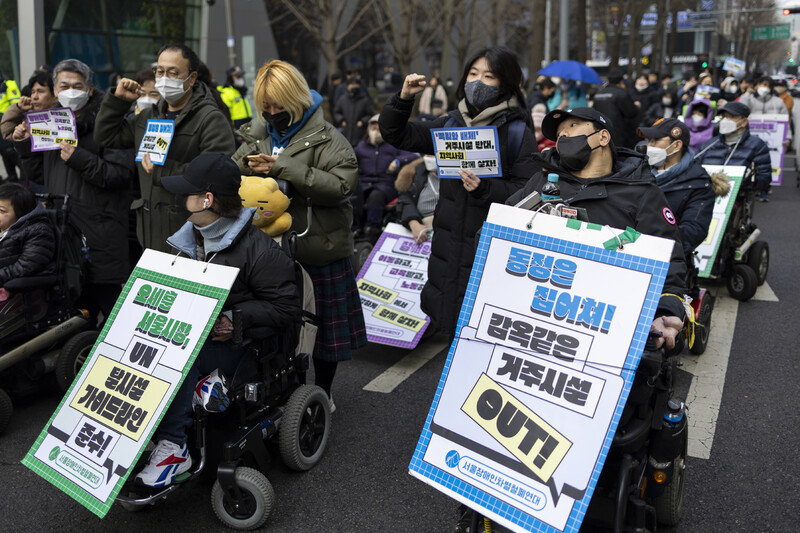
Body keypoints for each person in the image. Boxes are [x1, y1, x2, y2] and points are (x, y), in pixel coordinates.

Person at [135, 153, 300, 488]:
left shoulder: (260, 250)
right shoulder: (185, 240)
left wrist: (234, 318)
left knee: (172, 361)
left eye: (188, 193)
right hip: (191, 335)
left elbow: (287, 309)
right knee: (136, 352)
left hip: (241, 346)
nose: (182, 199)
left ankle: (174, 449)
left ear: (207, 199)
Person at [379, 46, 538, 337]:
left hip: (491, 252)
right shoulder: (451, 124)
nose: (478, 82)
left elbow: (526, 194)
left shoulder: (517, 133)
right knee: (449, 331)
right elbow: (398, 135)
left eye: (488, 76)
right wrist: (403, 99)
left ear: (505, 83)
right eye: (473, 74)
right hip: (447, 253)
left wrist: (485, 189)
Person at [232, 59, 365, 407]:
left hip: (316, 248)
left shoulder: (328, 138)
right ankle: (285, 391)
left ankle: (323, 392)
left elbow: (341, 185)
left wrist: (284, 167)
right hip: (265, 250)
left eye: (279, 105)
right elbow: (232, 172)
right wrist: (243, 170)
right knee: (278, 330)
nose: (273, 113)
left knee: (323, 334)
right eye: (266, 107)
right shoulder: (257, 134)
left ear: (297, 100)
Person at [507, 107, 687, 348]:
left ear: (603, 137)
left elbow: (668, 257)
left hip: (607, 325)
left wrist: (666, 307)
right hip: (539, 311)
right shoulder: (541, 181)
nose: (563, 136)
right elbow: (499, 229)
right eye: (559, 134)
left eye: (572, 127)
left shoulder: (642, 193)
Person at [13, 59, 134, 323]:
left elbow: (119, 175)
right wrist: (24, 146)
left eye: (77, 86)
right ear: (55, 90)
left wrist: (79, 157)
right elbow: (40, 175)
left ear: (90, 90)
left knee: (113, 314)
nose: (70, 91)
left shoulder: (109, 123)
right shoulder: (49, 122)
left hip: (101, 234)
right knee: (74, 315)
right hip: (64, 233)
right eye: (64, 85)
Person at [93, 43, 236, 253]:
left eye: (173, 72)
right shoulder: (148, 116)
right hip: (150, 234)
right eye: (160, 71)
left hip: (192, 237)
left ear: (192, 78)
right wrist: (118, 102)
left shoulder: (210, 118)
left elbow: (218, 174)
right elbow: (105, 136)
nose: (165, 78)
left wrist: (164, 171)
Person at [638, 118, 714, 268]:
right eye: (649, 141)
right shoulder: (637, 170)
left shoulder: (698, 183)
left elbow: (694, 231)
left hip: (667, 261)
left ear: (676, 146)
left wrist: (647, 238)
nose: (649, 146)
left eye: (655, 141)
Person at [694, 101, 773, 202]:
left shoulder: (757, 145)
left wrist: (747, 183)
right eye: (723, 116)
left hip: (737, 198)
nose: (725, 120)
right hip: (704, 195)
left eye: (731, 117)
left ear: (744, 122)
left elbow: (764, 177)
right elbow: (694, 167)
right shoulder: (709, 144)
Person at [353, 114, 418, 234]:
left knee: (375, 197)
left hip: (386, 184)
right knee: (351, 195)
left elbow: (414, 156)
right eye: (373, 124)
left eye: (379, 125)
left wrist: (398, 160)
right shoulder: (361, 146)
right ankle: (354, 228)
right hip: (364, 183)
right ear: (368, 128)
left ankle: (372, 229)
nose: (376, 127)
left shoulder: (394, 144)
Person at [0, 182, 56, 295]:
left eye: (1, 211)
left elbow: (26, 266)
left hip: (17, 291)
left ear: (20, 213)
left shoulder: (38, 231)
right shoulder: (3, 227)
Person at [1, 69, 58, 141]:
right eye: (33, 92)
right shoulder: (27, 117)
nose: (35, 97)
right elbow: (6, 132)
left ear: (55, 96)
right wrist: (18, 108)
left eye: (40, 91)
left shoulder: (65, 117)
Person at [394, 154, 438, 244]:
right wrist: (413, 222)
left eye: (432, 154)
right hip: (420, 227)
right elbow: (406, 199)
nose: (428, 157)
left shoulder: (462, 178)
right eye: (426, 154)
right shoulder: (417, 171)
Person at [593, 69, 640, 149]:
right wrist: (637, 106)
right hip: (618, 133)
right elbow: (631, 113)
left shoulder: (598, 94)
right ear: (621, 81)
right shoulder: (621, 93)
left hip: (600, 131)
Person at [334, 76, 373, 146]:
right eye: (351, 84)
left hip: (360, 133)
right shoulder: (343, 99)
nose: (353, 86)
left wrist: (362, 121)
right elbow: (336, 112)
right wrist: (341, 120)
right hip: (346, 132)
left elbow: (370, 114)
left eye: (356, 84)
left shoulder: (365, 100)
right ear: (347, 86)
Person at [218, 65, 253, 129]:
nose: (240, 78)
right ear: (230, 78)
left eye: (240, 76)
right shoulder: (226, 92)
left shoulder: (241, 90)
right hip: (236, 126)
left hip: (248, 122)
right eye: (237, 77)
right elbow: (225, 113)